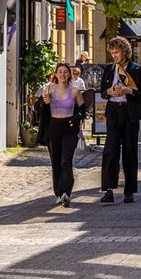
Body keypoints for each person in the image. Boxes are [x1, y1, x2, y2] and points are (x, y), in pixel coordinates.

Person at [98, 36, 141, 203]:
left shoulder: (136, 69)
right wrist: (109, 92)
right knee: (110, 150)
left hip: (130, 112)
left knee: (129, 151)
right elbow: (102, 91)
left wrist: (129, 91)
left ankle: (129, 190)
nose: (114, 56)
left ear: (125, 52)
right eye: (112, 52)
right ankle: (109, 189)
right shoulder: (109, 69)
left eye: (117, 52)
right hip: (113, 111)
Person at [37, 62, 87, 206]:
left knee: (66, 160)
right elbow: (39, 108)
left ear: (69, 74)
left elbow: (82, 110)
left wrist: (76, 117)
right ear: (55, 74)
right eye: (60, 71)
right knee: (56, 161)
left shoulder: (75, 91)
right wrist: (45, 102)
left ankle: (66, 192)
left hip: (69, 128)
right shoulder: (49, 89)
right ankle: (58, 193)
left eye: (65, 72)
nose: (63, 74)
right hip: (54, 127)